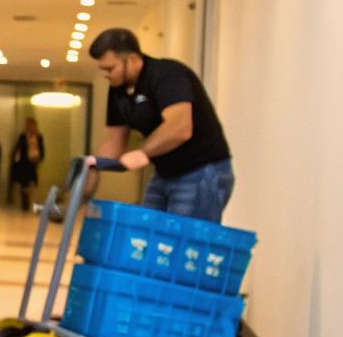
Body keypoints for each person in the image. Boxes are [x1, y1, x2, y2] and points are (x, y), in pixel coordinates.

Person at [88, 27, 234, 222]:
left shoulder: (167, 74)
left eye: (110, 68)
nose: (106, 74)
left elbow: (179, 128)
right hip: (165, 172)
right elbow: (114, 139)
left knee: (183, 245)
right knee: (147, 236)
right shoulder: (118, 91)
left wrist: (142, 153)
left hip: (201, 171)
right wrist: (94, 166)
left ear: (131, 59)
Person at [8, 116, 45, 209]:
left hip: (33, 162)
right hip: (24, 163)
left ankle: (28, 202)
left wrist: (40, 158)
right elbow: (18, 148)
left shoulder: (38, 137)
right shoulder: (23, 136)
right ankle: (25, 204)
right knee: (24, 183)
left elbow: (41, 148)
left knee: (31, 183)